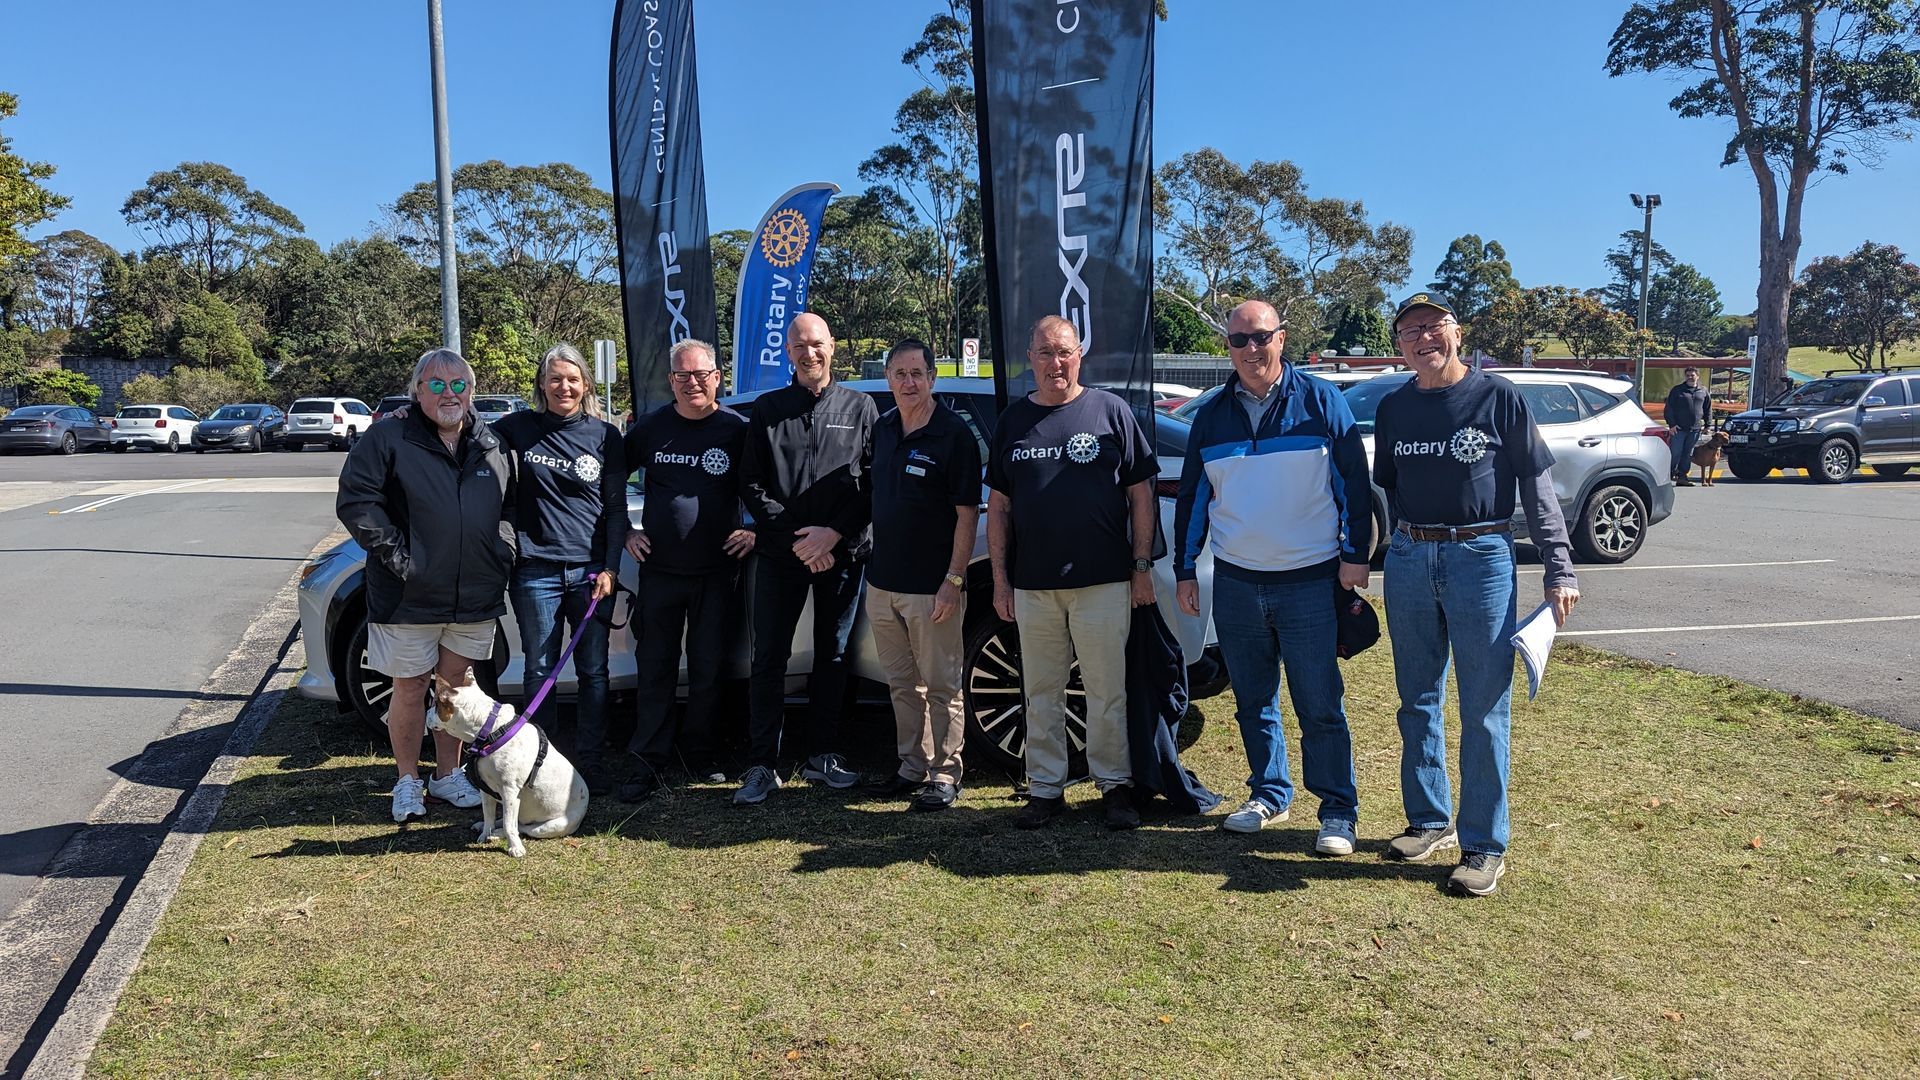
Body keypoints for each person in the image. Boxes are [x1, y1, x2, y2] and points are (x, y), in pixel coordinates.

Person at [1374, 293, 1580, 897]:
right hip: (1410, 559)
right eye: (1409, 331)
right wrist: (1363, 560)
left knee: (1485, 707)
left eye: (1432, 327)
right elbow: (1386, 496)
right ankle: (1428, 820)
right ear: (1400, 345)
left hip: (1482, 557)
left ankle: (1484, 845)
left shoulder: (1499, 398)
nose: (1422, 339)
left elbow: (1539, 493)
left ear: (1455, 332)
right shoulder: (1393, 409)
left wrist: (1559, 569)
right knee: (1416, 699)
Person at [1173, 300, 1372, 854]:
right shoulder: (1211, 416)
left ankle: (1337, 810)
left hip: (1310, 582)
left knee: (1319, 702)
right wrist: (1186, 569)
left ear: (1281, 339)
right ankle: (1269, 792)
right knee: (1253, 699)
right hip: (1237, 584)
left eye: (1260, 337)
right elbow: (1194, 499)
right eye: (1239, 340)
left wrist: (1357, 554)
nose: (1251, 349)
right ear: (1228, 348)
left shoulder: (1320, 402)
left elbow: (1353, 484)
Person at [987, 315, 1157, 831]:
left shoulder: (1111, 411)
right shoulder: (1014, 422)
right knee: (1041, 692)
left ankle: (1114, 786)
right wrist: (1000, 579)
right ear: (1030, 358)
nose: (1054, 362)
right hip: (1035, 585)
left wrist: (1142, 565)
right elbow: (998, 506)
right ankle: (1045, 789)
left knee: (1107, 691)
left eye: (1063, 351)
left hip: (1103, 581)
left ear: (1079, 354)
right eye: (1044, 352)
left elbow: (1141, 494)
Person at [337, 347, 514, 823]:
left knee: (455, 687)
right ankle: (408, 782)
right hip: (407, 595)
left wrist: (503, 551)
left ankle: (448, 776)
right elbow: (358, 503)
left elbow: (510, 509)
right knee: (411, 687)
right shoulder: (387, 436)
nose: (448, 393)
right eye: (436, 384)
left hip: (475, 594)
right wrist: (401, 558)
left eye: (458, 384)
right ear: (417, 390)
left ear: (472, 392)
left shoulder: (492, 443)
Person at [736, 312, 878, 805]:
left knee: (834, 655)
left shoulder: (862, 408)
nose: (809, 352)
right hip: (782, 554)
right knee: (768, 657)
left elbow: (870, 483)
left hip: (842, 555)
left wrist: (832, 535)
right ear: (788, 353)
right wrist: (801, 538)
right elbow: (751, 483)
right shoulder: (767, 409)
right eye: (799, 345)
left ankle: (823, 754)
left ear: (832, 347)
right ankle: (761, 764)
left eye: (816, 343)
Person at [618, 338, 755, 802]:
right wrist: (625, 531)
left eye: (701, 375)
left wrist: (754, 528)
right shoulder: (651, 428)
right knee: (654, 667)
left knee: (708, 668)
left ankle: (701, 755)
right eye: (682, 376)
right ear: (670, 381)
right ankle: (648, 758)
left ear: (717, 378)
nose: (692, 383)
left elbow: (764, 486)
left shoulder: (738, 429)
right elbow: (609, 477)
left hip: (718, 573)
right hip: (659, 572)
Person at [490, 343, 625, 794]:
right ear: (541, 385)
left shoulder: (605, 436)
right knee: (539, 670)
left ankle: (591, 761)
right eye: (554, 379)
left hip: (590, 574)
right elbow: (466, 431)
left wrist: (610, 566)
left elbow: (615, 509)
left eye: (572, 379)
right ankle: (538, 762)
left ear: (585, 384)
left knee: (594, 671)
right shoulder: (517, 428)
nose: (563, 386)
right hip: (535, 573)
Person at [861, 339, 981, 812]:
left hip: (932, 589)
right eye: (899, 374)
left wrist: (953, 580)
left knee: (941, 684)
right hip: (882, 583)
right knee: (901, 684)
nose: (908, 382)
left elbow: (967, 515)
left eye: (916, 373)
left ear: (932, 377)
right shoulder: (884, 428)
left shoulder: (953, 435)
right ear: (888, 379)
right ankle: (911, 767)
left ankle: (946, 774)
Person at [1663, 367, 1712, 486]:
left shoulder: (1703, 391)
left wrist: (1708, 425)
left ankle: (1682, 477)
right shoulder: (1677, 390)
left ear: (1698, 376)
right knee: (1675, 452)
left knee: (1688, 454)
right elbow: (1669, 408)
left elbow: (1708, 409)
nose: (1690, 377)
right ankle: (1667, 476)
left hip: (1695, 429)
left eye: (1692, 375)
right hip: (1678, 429)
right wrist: (1672, 424)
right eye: (1688, 375)